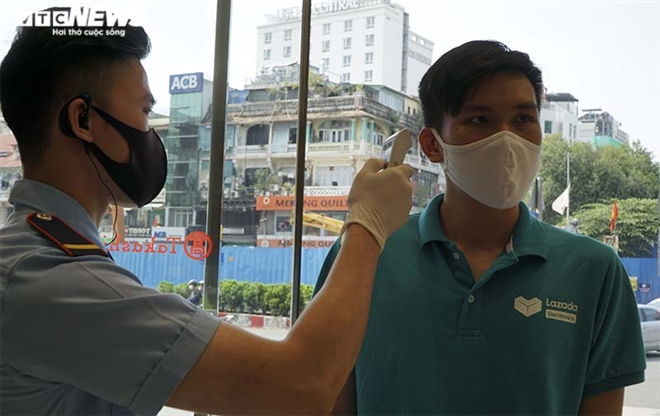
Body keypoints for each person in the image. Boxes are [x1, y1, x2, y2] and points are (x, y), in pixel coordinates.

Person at [0, 8, 414, 415]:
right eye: (144, 112)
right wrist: (368, 225)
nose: (149, 132)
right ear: (83, 119)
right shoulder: (52, 278)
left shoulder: (43, 255)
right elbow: (302, 387)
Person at [314, 40, 646, 415]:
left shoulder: (595, 270)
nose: (507, 139)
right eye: (480, 120)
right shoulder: (364, 254)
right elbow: (328, 398)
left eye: (523, 119)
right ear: (432, 145)